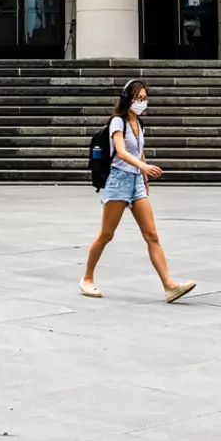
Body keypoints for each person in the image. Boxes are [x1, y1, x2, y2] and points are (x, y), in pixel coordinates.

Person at [81, 78, 195, 303]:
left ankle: (169, 286)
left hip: (136, 183)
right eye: (138, 98)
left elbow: (140, 151)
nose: (142, 102)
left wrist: (144, 179)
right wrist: (144, 167)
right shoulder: (117, 122)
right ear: (127, 99)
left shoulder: (139, 123)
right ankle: (87, 278)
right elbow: (122, 152)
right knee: (106, 235)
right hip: (119, 181)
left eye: (144, 98)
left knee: (152, 235)